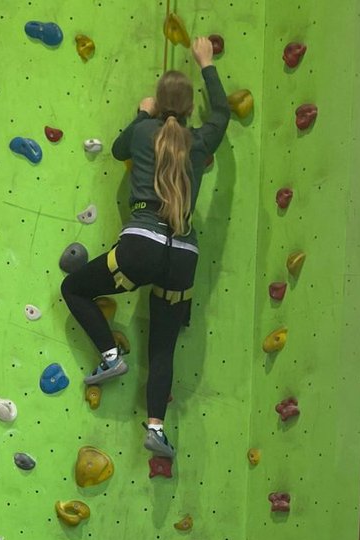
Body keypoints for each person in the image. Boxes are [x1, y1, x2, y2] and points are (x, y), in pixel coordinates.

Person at [60, 36, 230, 458]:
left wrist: (141, 112)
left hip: (141, 246)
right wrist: (205, 62)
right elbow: (223, 113)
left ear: (159, 101)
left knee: (74, 289)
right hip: (183, 256)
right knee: (163, 347)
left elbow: (118, 150)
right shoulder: (198, 141)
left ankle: (111, 354)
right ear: (190, 109)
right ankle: (156, 427)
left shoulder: (142, 132)